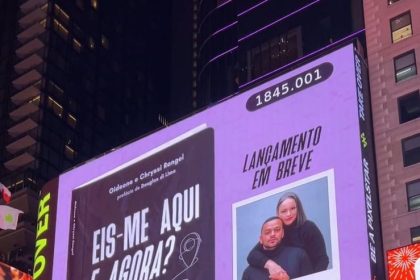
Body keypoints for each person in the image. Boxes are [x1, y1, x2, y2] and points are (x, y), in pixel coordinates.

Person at [247, 192, 329, 278]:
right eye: (284, 211)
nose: (289, 214)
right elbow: (252, 255)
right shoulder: (278, 232)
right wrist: (270, 264)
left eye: (293, 208)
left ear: (298, 209)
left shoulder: (309, 228)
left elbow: (322, 260)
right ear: (278, 214)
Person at [242, 216, 313, 280]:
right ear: (261, 239)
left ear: (283, 234)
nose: (272, 234)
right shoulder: (249, 272)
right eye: (267, 232)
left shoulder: (299, 256)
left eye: (277, 230)